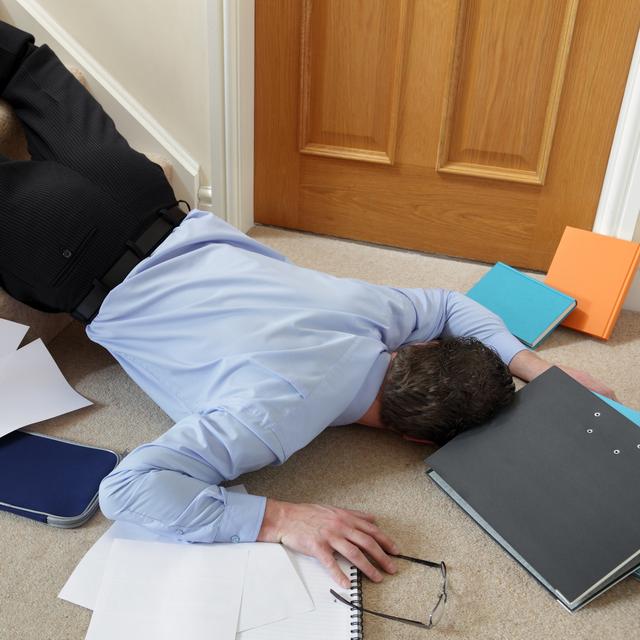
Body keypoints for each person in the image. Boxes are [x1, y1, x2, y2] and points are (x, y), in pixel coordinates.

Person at [0, 22, 615, 588]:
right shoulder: (269, 419)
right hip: (64, 251)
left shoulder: (374, 315)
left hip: (137, 192)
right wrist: (277, 517)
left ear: (419, 348)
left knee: (24, 60)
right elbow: (128, 490)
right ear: (413, 440)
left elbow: (452, 302)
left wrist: (536, 367)